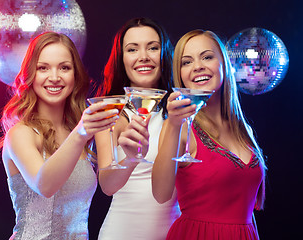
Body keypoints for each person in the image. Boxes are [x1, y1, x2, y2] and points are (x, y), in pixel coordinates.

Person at [0, 32, 120, 240]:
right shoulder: (21, 134)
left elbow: (110, 187)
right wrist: (80, 134)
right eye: (43, 68)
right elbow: (45, 185)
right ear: (30, 74)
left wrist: (132, 155)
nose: (54, 77)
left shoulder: (78, 131)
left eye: (64, 68)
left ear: (75, 75)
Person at [151, 29, 266, 240]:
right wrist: (174, 126)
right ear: (181, 75)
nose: (197, 66)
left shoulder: (244, 130)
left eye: (207, 57)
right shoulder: (180, 127)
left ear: (223, 64)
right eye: (186, 62)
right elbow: (160, 193)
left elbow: (247, 207)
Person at [94, 18, 180, 240]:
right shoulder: (108, 112)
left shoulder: (180, 110)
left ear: (165, 55)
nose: (144, 56)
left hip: (177, 232)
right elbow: (107, 185)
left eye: (153, 47)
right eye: (132, 49)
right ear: (121, 59)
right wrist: (131, 159)